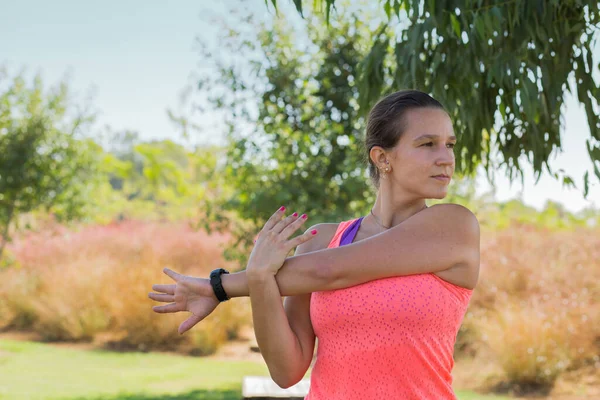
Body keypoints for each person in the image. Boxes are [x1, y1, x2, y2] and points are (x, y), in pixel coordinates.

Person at [149, 89, 480, 399]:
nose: (446, 158)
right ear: (381, 157)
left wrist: (219, 287)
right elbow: (286, 370)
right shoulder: (321, 240)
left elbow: (328, 272)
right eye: (428, 144)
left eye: (449, 144)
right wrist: (260, 278)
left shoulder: (454, 227)